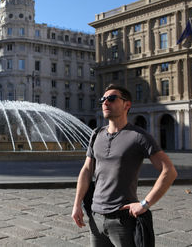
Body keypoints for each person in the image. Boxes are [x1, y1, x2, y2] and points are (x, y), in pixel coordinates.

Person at [72, 84, 177, 247]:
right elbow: (86, 170)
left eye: (112, 99)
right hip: (96, 218)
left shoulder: (139, 137)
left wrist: (145, 203)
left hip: (122, 221)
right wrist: (77, 204)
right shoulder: (96, 134)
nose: (105, 103)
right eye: (103, 99)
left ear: (127, 105)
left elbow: (169, 171)